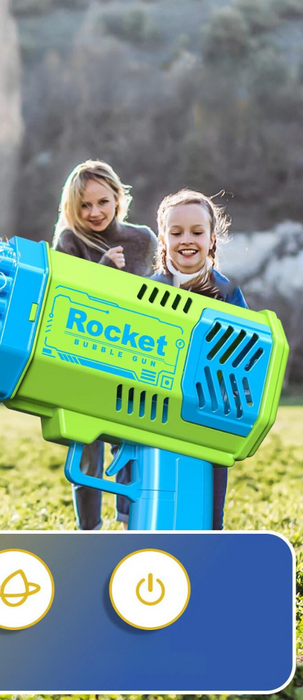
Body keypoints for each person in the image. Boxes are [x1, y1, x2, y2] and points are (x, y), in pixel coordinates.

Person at [52, 159, 157, 530]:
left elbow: (155, 298)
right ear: (72, 208)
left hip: (134, 358)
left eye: (102, 202)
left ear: (117, 198)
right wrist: (103, 267)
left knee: (131, 444)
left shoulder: (143, 239)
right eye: (84, 205)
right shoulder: (69, 241)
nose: (94, 212)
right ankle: (90, 529)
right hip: (84, 359)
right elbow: (65, 299)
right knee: (86, 450)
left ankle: (132, 522)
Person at [152, 189, 247, 530]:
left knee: (206, 515)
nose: (186, 240)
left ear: (211, 238)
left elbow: (244, 359)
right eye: (176, 233)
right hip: (151, 417)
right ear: (163, 238)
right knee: (150, 504)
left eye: (196, 232)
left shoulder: (228, 294)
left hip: (207, 417)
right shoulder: (145, 291)